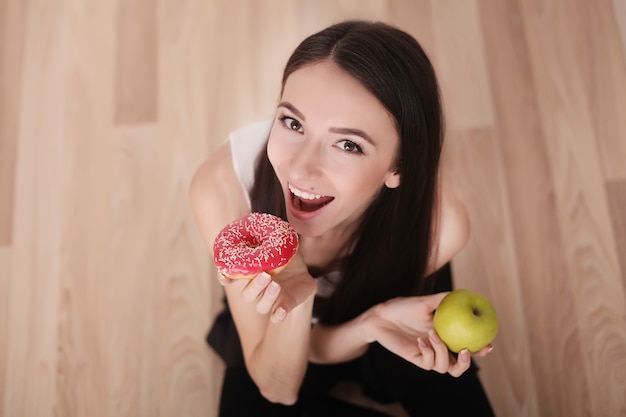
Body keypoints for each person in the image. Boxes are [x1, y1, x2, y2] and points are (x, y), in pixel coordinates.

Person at [190, 20, 496, 416]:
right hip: (290, 325)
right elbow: (277, 388)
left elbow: (347, 337)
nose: (301, 170)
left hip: (394, 303)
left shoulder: (441, 226)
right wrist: (299, 300)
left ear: (397, 167)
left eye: (348, 144)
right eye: (292, 122)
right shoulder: (222, 186)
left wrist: (376, 320)